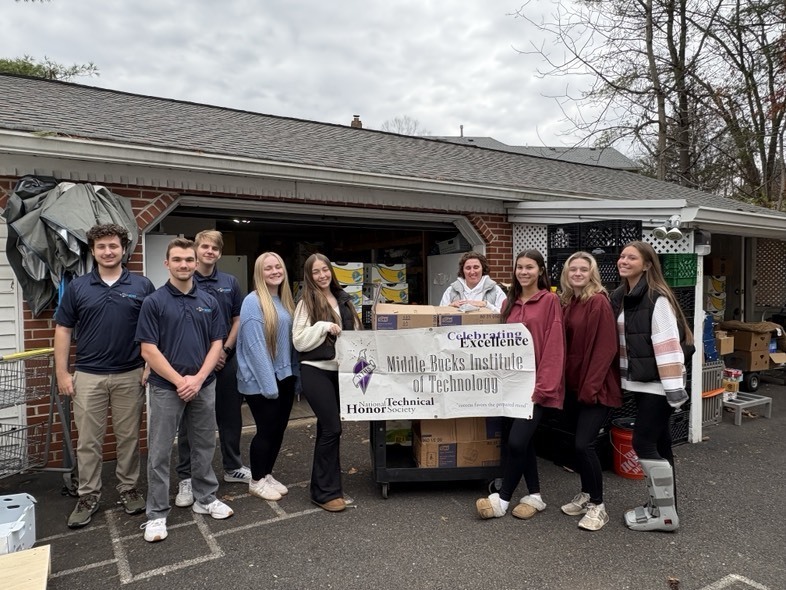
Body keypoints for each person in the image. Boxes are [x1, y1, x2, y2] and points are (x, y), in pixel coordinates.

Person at [54, 223, 155, 529]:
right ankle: (88, 495)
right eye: (101, 247)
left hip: (130, 374)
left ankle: (128, 489)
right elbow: (63, 329)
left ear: (124, 249)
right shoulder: (79, 287)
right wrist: (62, 372)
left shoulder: (142, 286)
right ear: (93, 250)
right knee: (88, 441)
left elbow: (154, 329)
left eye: (113, 246)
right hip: (88, 375)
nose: (108, 252)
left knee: (128, 438)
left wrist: (149, 365)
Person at [136, 237, 233, 543]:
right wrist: (180, 381)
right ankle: (156, 513)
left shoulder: (209, 300)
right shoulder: (154, 302)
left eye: (189, 260)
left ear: (196, 263)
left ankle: (205, 499)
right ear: (167, 263)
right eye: (177, 260)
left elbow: (217, 343)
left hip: (203, 385)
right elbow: (148, 349)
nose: (184, 265)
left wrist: (199, 378)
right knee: (160, 451)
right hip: (167, 388)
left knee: (204, 444)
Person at [476, 249, 565, 520]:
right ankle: (535, 495)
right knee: (521, 442)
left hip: (536, 386)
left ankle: (502, 500)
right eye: (519, 267)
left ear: (540, 270)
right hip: (510, 386)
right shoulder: (509, 303)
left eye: (529, 267)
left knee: (517, 442)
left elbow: (554, 345)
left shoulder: (550, 301)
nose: (523, 272)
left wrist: (544, 387)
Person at [610, 241, 692, 532]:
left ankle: (665, 516)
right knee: (660, 443)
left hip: (658, 385)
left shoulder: (656, 298)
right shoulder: (623, 296)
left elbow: (668, 346)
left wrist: (673, 393)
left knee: (642, 443)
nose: (623, 260)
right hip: (641, 384)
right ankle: (665, 509)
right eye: (621, 256)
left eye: (631, 257)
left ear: (646, 264)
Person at [175, 230, 248, 510]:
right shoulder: (185, 280)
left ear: (219, 253)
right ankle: (186, 477)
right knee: (189, 423)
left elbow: (237, 318)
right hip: (191, 362)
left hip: (224, 360)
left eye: (214, 248)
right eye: (204, 247)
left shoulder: (229, 282)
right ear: (196, 250)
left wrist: (225, 351)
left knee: (230, 415)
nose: (209, 252)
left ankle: (233, 466)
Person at [558, 251, 622, 531]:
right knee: (576, 445)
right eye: (574, 269)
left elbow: (606, 349)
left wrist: (591, 387)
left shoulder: (598, 302)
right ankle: (585, 494)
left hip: (596, 388)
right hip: (574, 386)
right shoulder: (569, 301)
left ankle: (599, 505)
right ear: (567, 273)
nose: (578, 273)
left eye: (584, 269)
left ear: (591, 273)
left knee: (584, 444)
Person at [292, 253, 361, 512]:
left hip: (339, 372)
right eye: (316, 272)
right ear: (309, 276)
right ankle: (325, 492)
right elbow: (298, 341)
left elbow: (354, 332)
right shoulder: (306, 302)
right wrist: (322, 326)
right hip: (315, 370)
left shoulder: (343, 299)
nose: (322, 275)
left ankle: (325, 488)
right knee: (332, 428)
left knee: (327, 429)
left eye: (325, 270)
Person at [236, 252, 298, 501]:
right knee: (266, 429)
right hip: (263, 380)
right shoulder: (253, 301)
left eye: (278, 267)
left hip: (284, 375)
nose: (274, 271)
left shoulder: (285, 300)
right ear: (259, 274)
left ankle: (267, 473)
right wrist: (268, 385)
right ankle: (256, 480)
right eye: (268, 268)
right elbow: (255, 346)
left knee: (279, 429)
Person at [439, 251, 507, 312]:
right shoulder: (451, 291)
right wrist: (450, 307)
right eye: (468, 268)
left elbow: (505, 315)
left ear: (483, 269)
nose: (472, 272)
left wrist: (486, 305)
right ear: (462, 270)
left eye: (476, 267)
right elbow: (439, 315)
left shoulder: (495, 290)